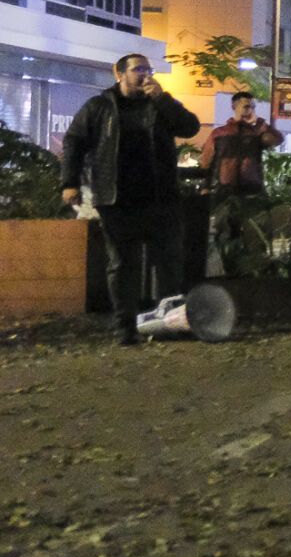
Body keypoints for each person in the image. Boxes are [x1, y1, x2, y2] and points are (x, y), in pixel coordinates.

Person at [60, 54, 200, 345]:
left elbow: (190, 127)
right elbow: (74, 141)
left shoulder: (159, 104)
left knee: (169, 263)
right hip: (116, 200)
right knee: (123, 264)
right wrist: (69, 182)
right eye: (138, 69)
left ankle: (170, 324)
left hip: (161, 199)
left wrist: (164, 100)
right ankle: (125, 327)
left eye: (148, 70)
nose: (144, 75)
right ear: (119, 73)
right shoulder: (100, 106)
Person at [202, 93, 284, 196]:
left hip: (252, 189)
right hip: (224, 189)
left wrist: (262, 124)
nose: (250, 111)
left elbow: (278, 140)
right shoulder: (219, 133)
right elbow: (207, 160)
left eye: (253, 107)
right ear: (234, 107)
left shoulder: (256, 133)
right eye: (246, 107)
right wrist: (206, 187)